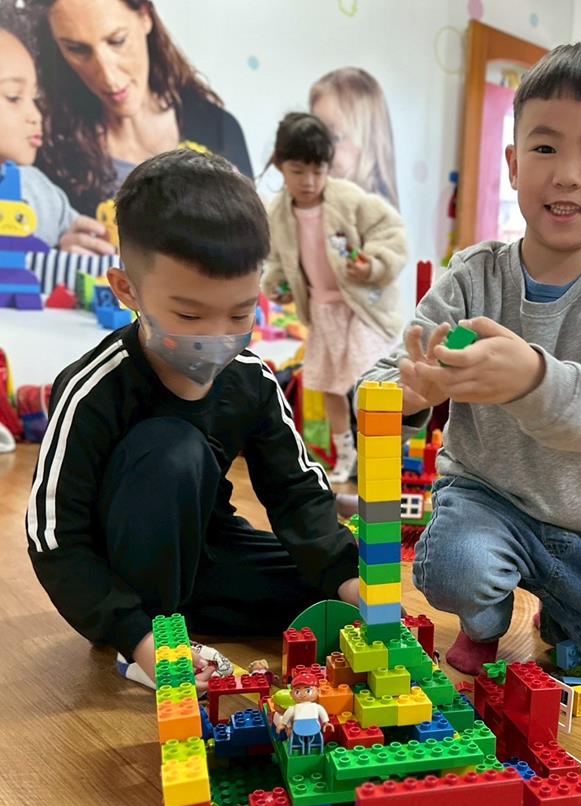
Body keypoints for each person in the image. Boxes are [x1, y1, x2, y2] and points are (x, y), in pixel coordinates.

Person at [359, 39, 581, 713]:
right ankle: (485, 621)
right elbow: (377, 383)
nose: (568, 175)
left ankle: (564, 617)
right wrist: (410, 392)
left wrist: (531, 378)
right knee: (455, 567)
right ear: (514, 164)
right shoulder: (472, 278)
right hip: (486, 502)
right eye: (546, 147)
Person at [26, 148, 359, 690]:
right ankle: (147, 637)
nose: (218, 336)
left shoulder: (251, 379)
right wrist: (138, 635)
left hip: (209, 553)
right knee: (171, 448)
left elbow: (297, 492)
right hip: (126, 578)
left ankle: (184, 615)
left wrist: (347, 579)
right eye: (189, 314)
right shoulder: (94, 389)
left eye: (240, 312)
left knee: (329, 592)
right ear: (127, 290)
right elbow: (55, 538)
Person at [262, 112, 407, 483]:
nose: (309, 181)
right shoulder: (278, 215)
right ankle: (346, 456)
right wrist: (278, 285)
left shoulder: (347, 199)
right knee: (329, 385)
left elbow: (390, 230)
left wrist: (372, 264)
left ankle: (385, 450)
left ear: (328, 167)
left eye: (318, 170)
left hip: (361, 308)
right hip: (323, 311)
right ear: (280, 165)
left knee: (371, 378)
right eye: (298, 171)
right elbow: (276, 262)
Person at [30, 0, 252, 216]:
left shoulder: (218, 130)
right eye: (77, 49)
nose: (108, 77)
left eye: (117, 41)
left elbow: (252, 235)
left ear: (145, 16)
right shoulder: (48, 151)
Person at [0, 16, 113, 253]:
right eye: (14, 97)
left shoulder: (43, 194)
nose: (35, 115)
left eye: (34, 98)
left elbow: (80, 243)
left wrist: (72, 251)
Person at [310, 66, 399, 208]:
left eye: (334, 138)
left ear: (369, 144)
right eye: (314, 135)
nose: (316, 150)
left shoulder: (375, 213)